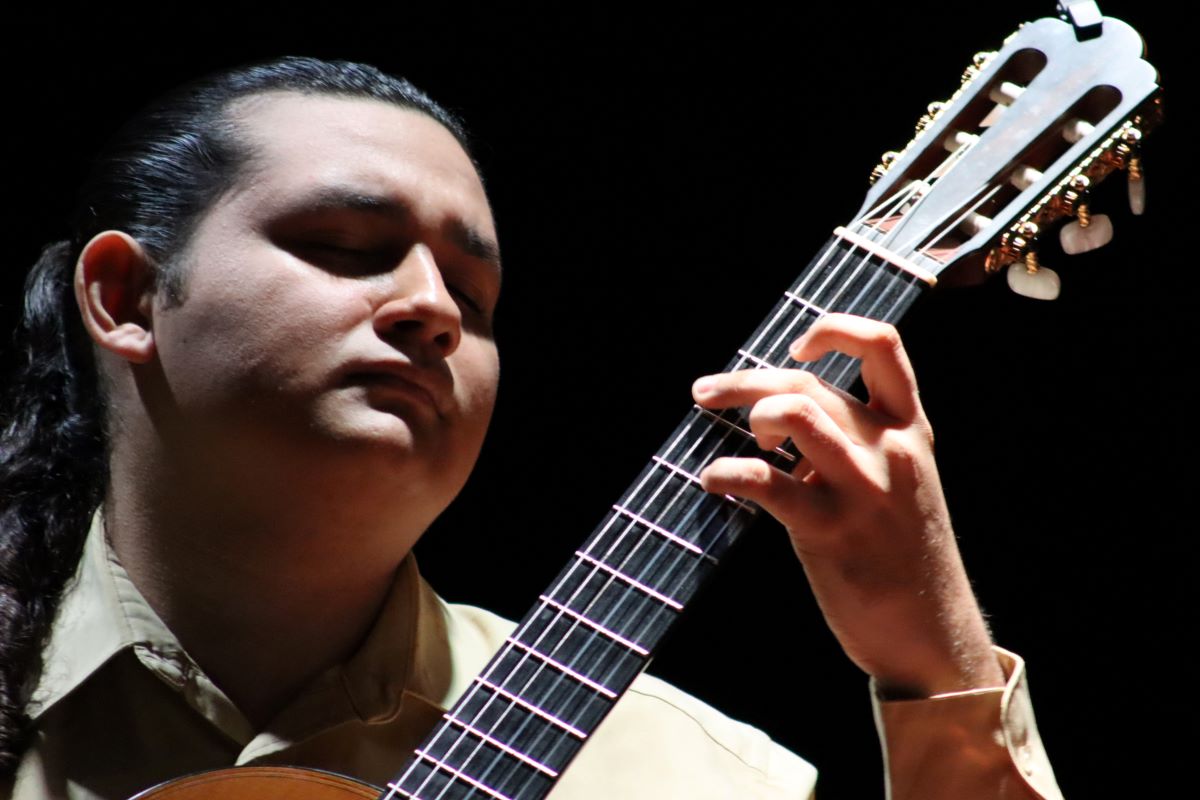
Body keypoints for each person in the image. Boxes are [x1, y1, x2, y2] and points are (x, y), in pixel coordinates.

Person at [1, 57, 1062, 799]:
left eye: (476, 295)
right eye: (345, 245)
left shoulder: (706, 782)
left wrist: (939, 659)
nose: (433, 308)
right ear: (127, 298)